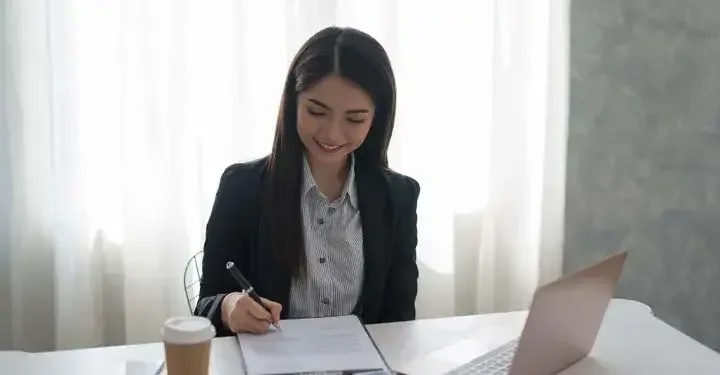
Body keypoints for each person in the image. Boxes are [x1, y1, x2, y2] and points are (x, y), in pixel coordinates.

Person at [194, 26, 420, 336]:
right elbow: (205, 306)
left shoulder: (398, 197)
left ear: (376, 119)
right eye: (316, 112)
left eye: (354, 119)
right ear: (293, 102)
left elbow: (399, 321)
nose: (332, 134)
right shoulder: (242, 188)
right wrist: (229, 306)